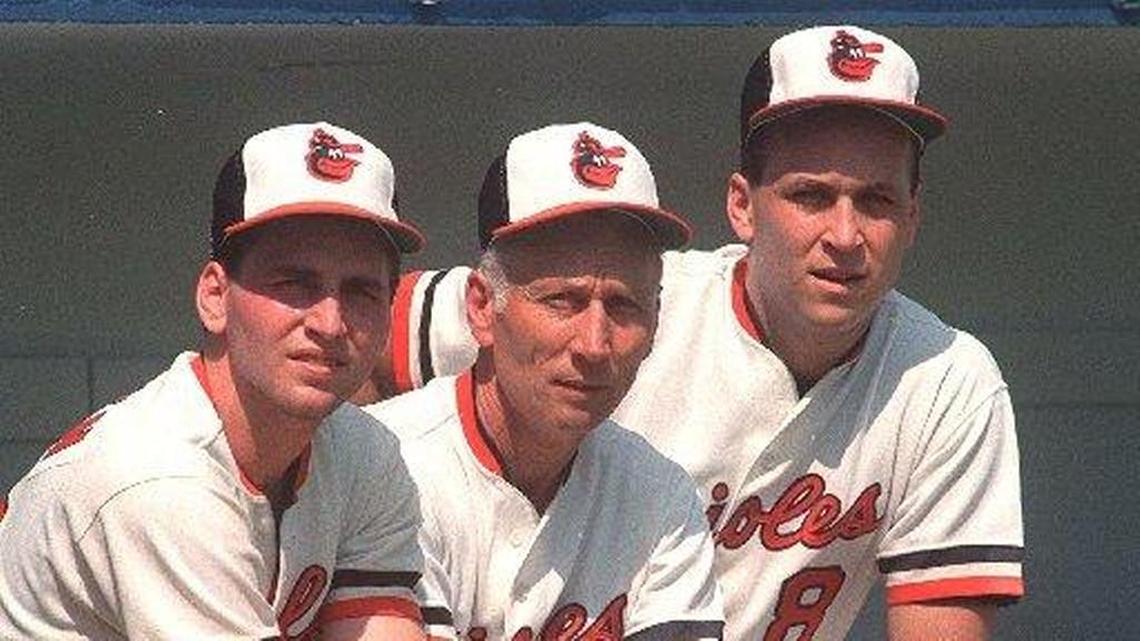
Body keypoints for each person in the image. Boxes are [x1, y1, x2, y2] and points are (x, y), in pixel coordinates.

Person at [370, 26, 1025, 641]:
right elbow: (351, 327)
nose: (846, 236)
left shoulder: (945, 379)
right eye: (811, 196)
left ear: (913, 214)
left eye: (877, 201)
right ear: (742, 204)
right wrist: (357, 511)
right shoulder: (630, 297)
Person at [0, 122, 434, 640]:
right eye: (294, 284)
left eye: (361, 291)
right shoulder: (157, 478)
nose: (330, 323)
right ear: (214, 297)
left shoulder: (365, 454)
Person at [364, 122, 724, 640]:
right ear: (482, 308)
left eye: (623, 305)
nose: (594, 344)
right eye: (563, 300)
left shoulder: (660, 496)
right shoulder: (388, 470)